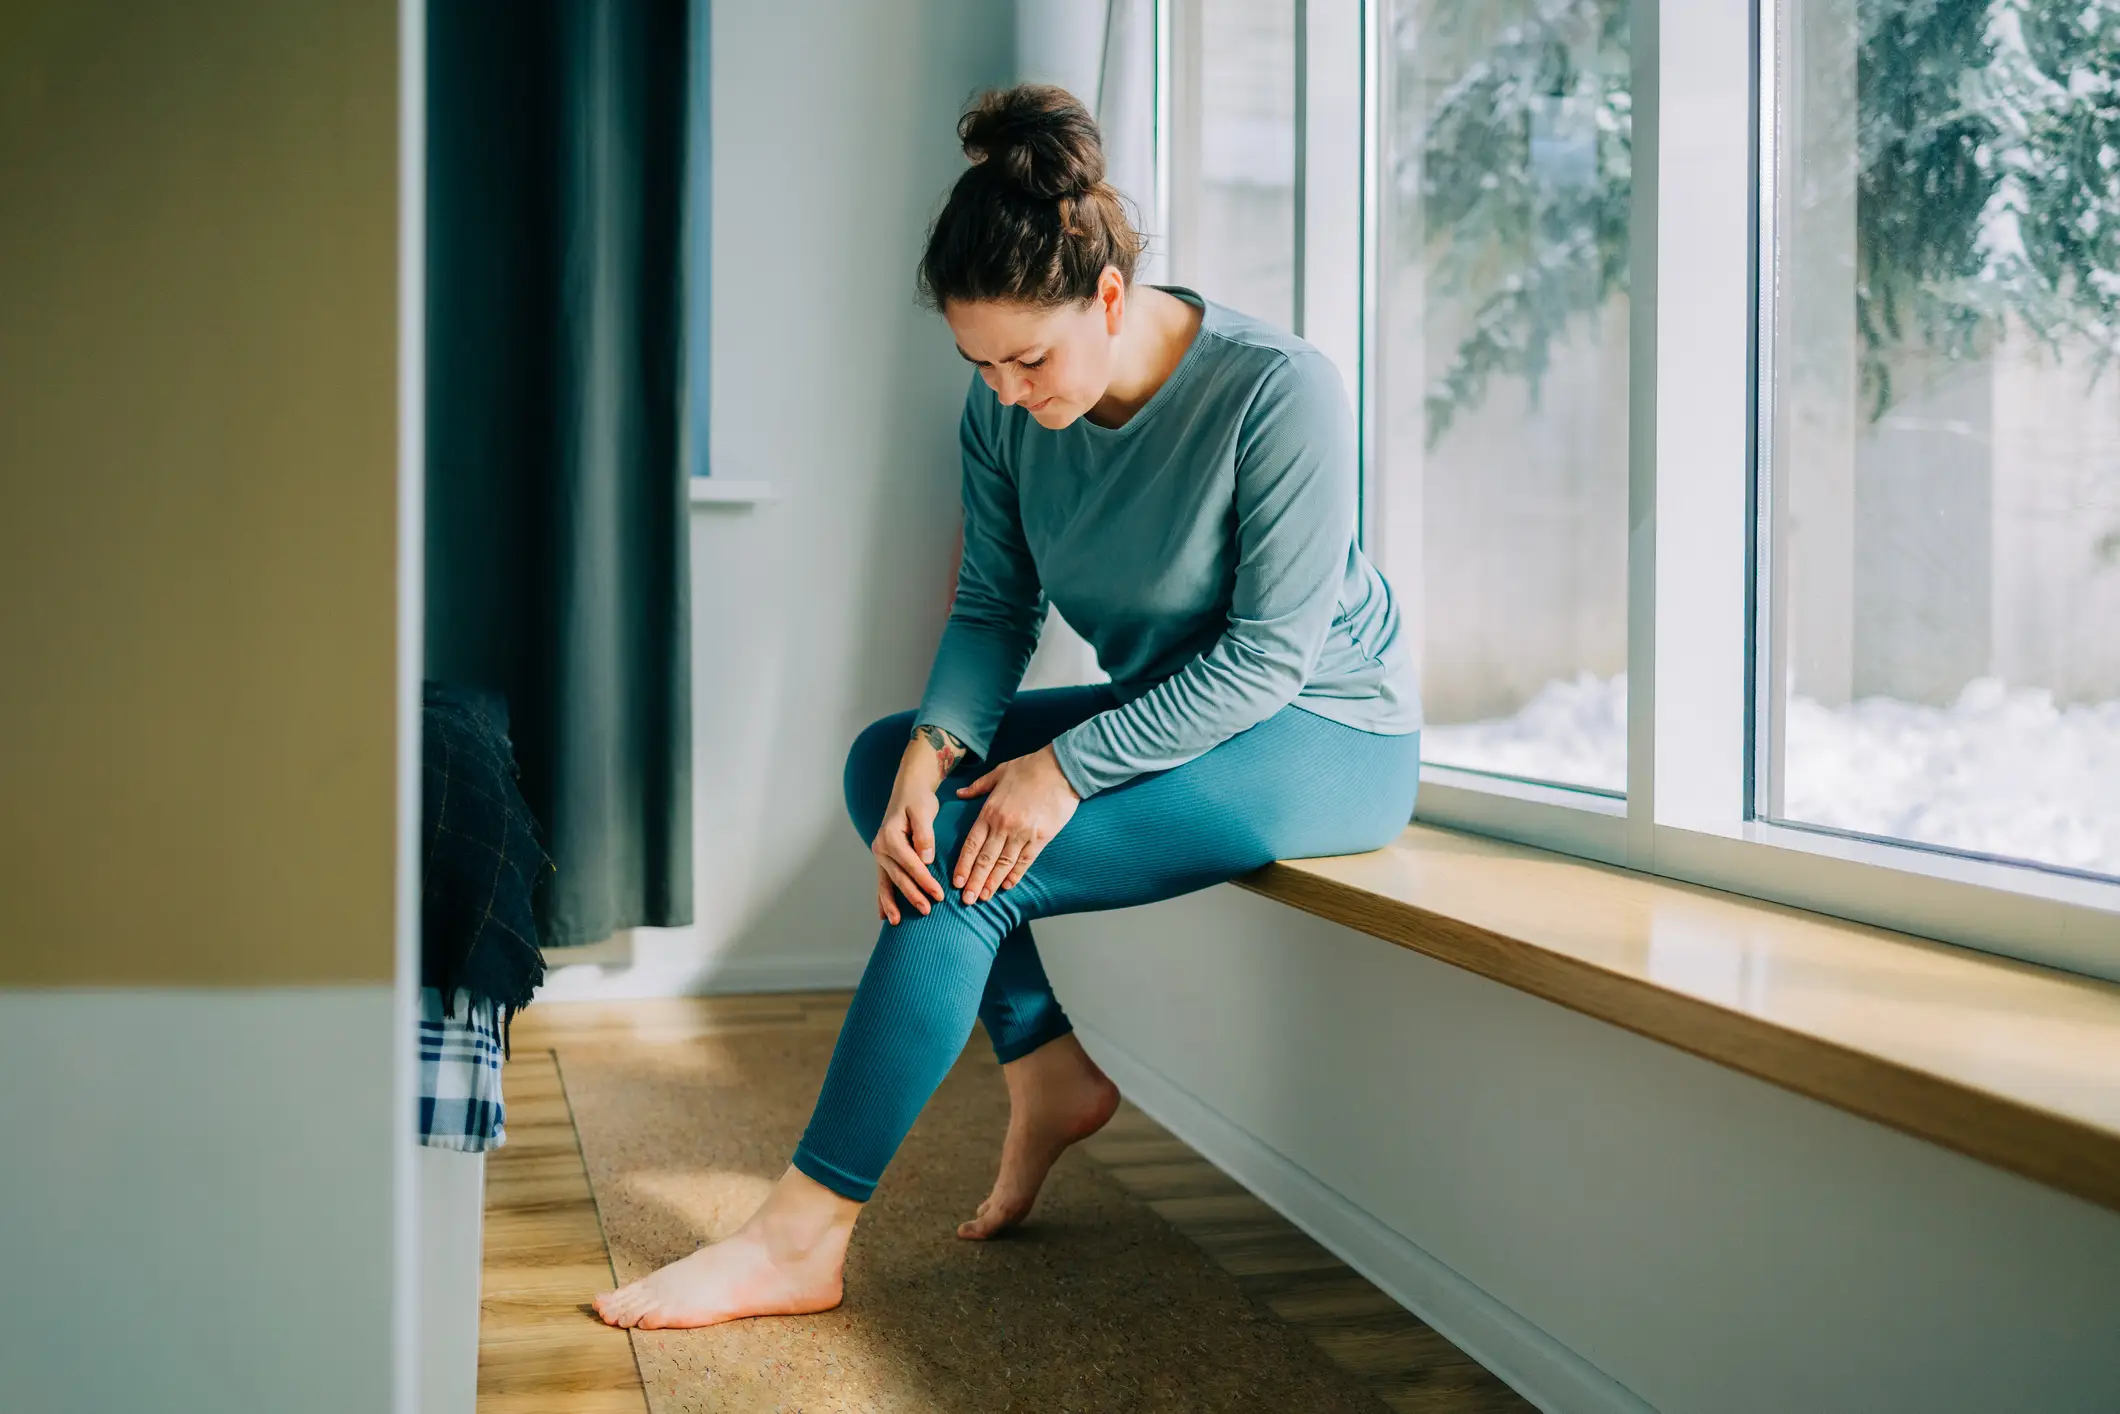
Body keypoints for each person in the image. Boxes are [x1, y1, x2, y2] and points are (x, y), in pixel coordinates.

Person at [594, 83, 1422, 1331]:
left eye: (1028, 357)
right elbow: (992, 607)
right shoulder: (1001, 409)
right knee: (893, 765)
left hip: (1323, 730)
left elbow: (1266, 656)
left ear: (1106, 296)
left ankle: (796, 1240)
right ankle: (1043, 1066)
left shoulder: (1276, 390)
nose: (1006, 389)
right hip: (1175, 705)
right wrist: (940, 748)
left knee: (985, 864)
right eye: (978, 363)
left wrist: (1066, 769)